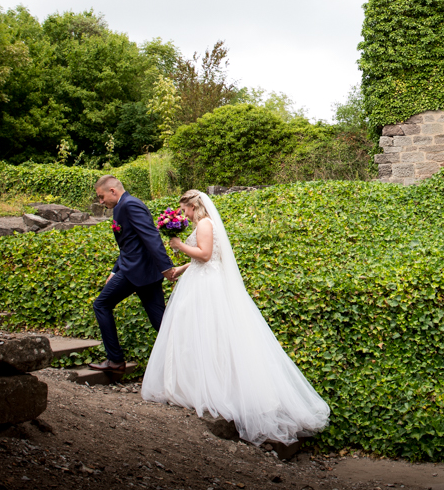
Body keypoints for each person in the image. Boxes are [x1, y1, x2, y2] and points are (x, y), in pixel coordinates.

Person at [141, 190, 330, 445]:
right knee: (196, 332)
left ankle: (211, 388)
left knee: (207, 332)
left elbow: (206, 255)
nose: (183, 214)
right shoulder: (205, 224)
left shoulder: (206, 224)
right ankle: (195, 384)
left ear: (194, 206)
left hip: (206, 285)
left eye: (184, 209)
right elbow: (208, 257)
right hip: (199, 278)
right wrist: (181, 268)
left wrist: (179, 246)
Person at [90, 175, 175, 373]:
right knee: (160, 321)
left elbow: (150, 236)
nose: (101, 202)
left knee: (101, 304)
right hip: (141, 271)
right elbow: (129, 244)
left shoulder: (130, 205)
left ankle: (115, 361)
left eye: (101, 197)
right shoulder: (122, 205)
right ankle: (190, 356)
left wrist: (166, 267)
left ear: (113, 191)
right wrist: (114, 270)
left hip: (135, 270)